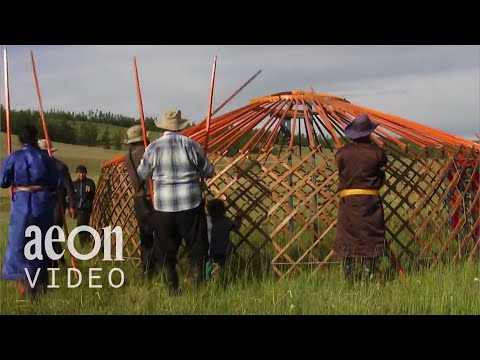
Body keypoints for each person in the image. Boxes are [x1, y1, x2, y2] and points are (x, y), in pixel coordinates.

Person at [137, 109, 215, 295]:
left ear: (163, 126)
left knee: (165, 249)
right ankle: (197, 287)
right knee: (196, 247)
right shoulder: (191, 145)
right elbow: (209, 171)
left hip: (164, 208)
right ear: (180, 127)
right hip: (191, 205)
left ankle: (173, 288)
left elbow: (143, 173)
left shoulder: (153, 148)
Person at [1, 125, 60, 300]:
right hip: (42, 204)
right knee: (41, 244)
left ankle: (27, 287)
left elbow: (3, 181)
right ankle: (41, 287)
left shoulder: (14, 157)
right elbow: (56, 183)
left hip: (21, 204)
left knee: (20, 244)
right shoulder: (46, 159)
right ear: (35, 138)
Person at [333, 114, 388, 282]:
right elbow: (382, 167)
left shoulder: (343, 153)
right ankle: (367, 274)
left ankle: (349, 276)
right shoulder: (377, 152)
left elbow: (340, 167)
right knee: (371, 236)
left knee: (347, 235)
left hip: (349, 203)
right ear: (369, 132)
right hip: (370, 203)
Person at [38, 139, 77, 268]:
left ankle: (53, 264)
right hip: (40, 204)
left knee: (53, 233)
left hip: (56, 202)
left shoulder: (60, 166)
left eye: (45, 152)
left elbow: (69, 187)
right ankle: (57, 262)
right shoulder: (35, 167)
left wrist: (71, 205)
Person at [124, 125, 156, 278]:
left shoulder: (128, 156)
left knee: (145, 235)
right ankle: (160, 265)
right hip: (152, 196)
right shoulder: (148, 152)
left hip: (139, 199)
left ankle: (146, 268)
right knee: (161, 233)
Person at [205, 198, 241, 281]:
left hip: (209, 249)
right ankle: (220, 275)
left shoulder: (206, 221)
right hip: (223, 250)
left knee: (208, 263)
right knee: (221, 263)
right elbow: (236, 226)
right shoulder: (226, 221)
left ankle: (207, 279)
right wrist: (238, 217)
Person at [73, 165, 96, 245]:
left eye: (83, 173)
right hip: (78, 208)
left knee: (81, 225)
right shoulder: (75, 184)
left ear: (85, 173)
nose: (81, 175)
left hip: (86, 208)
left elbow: (94, 195)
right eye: (79, 173)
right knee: (82, 226)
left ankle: (84, 243)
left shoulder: (90, 183)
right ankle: (86, 242)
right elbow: (72, 197)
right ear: (76, 173)